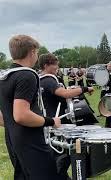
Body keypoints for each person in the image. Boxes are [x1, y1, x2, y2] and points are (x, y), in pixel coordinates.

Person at [0, 35, 66, 179]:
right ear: (31, 51)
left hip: (13, 140)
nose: (37, 56)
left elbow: (3, 115)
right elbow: (21, 115)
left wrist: (12, 127)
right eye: (36, 52)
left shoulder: (5, 76)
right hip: (30, 141)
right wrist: (51, 121)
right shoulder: (26, 75)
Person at [39, 53, 94, 122]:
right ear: (46, 66)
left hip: (50, 117)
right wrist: (86, 89)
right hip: (55, 120)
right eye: (55, 64)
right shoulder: (48, 80)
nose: (57, 67)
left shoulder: (41, 79)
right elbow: (66, 94)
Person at [100, 62, 111, 129]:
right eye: (108, 66)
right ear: (106, 67)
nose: (109, 67)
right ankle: (107, 126)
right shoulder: (105, 75)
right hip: (105, 93)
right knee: (106, 110)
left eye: (110, 66)